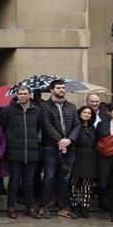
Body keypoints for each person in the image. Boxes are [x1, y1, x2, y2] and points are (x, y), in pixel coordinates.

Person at [0, 86, 42, 219]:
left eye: (25, 93)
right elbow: (2, 127)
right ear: (16, 95)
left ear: (30, 95)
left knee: (29, 181)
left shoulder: (37, 111)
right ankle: (11, 207)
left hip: (31, 150)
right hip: (14, 150)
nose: (23, 96)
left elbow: (38, 127)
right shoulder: (8, 111)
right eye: (20, 94)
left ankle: (29, 207)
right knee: (14, 180)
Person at [39, 79, 80, 219]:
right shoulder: (44, 106)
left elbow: (77, 126)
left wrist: (69, 140)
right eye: (58, 88)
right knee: (49, 177)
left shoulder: (72, 106)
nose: (62, 90)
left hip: (69, 147)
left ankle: (63, 208)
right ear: (51, 90)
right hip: (50, 147)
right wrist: (60, 140)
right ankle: (43, 207)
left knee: (65, 178)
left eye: (63, 87)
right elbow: (46, 125)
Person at [72, 106, 97, 218]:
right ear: (79, 113)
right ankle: (75, 206)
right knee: (75, 183)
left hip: (90, 159)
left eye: (89, 113)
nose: (86, 114)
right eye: (84, 112)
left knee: (87, 184)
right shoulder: (74, 126)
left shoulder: (93, 128)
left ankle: (85, 207)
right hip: (76, 157)